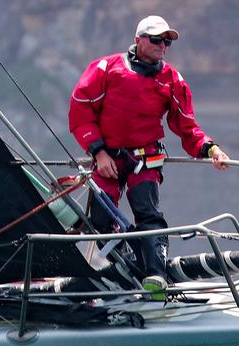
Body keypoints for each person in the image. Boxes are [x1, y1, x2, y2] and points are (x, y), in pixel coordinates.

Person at [69, 14, 229, 298]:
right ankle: (125, 270)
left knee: (148, 213)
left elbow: (186, 127)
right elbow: (80, 111)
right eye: (156, 39)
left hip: (145, 159)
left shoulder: (172, 80)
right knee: (100, 219)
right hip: (108, 158)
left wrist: (211, 149)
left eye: (166, 41)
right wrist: (98, 152)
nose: (162, 45)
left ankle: (156, 276)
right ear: (138, 40)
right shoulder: (106, 68)